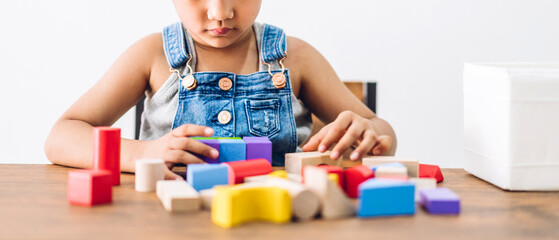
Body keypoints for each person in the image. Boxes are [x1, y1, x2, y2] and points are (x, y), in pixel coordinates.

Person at [44, 0, 397, 180]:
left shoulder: (296, 57)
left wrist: (371, 133)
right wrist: (139, 154)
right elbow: (60, 136)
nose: (220, 12)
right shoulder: (151, 55)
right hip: (170, 222)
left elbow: (383, 134)